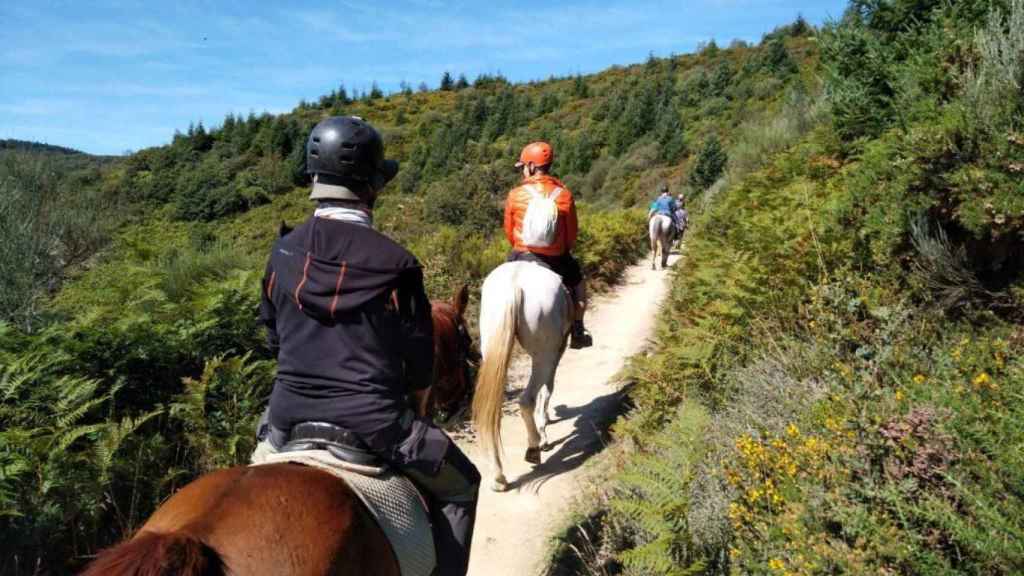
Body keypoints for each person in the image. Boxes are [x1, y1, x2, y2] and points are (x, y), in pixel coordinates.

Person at [254, 116, 479, 576]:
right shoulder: (396, 264)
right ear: (374, 186)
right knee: (463, 486)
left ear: (313, 179)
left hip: (284, 417)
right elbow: (419, 372)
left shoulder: (282, 252)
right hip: (374, 425)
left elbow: (274, 339)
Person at [503, 141, 592, 349]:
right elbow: (571, 234)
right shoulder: (564, 195)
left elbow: (509, 231)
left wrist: (521, 247)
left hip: (522, 254)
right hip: (556, 259)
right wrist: (560, 250)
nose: (522, 171)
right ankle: (578, 329)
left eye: (523, 166)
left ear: (532, 166)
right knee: (578, 285)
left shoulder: (515, 194)